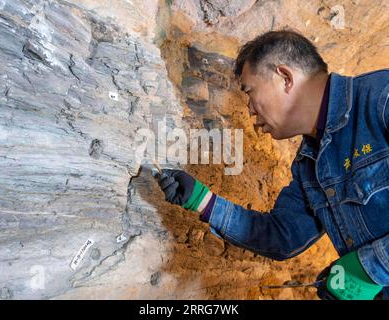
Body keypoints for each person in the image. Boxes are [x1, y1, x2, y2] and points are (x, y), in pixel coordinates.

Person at [154, 30, 389, 300]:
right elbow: (283, 236)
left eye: (250, 92)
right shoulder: (308, 165)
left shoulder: (381, 98)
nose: (250, 110)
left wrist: (368, 268)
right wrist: (203, 200)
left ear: (285, 77)